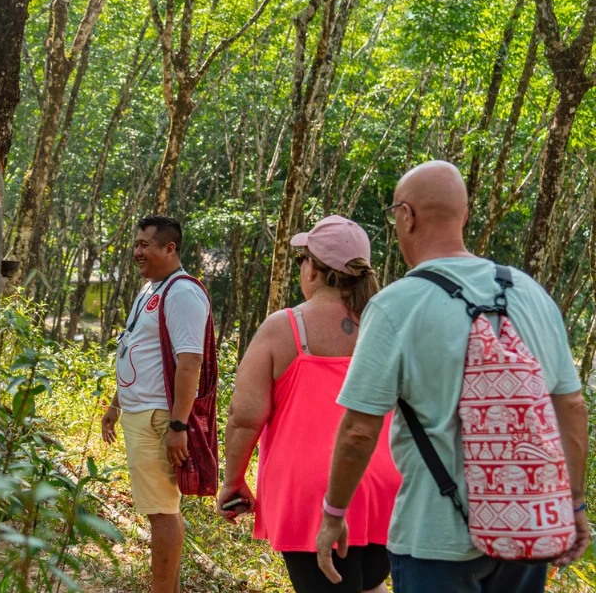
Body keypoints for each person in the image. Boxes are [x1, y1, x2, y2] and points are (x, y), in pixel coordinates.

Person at [315, 161, 590, 593]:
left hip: (433, 538)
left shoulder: (396, 305)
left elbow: (358, 432)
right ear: (463, 215)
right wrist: (573, 504)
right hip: (524, 530)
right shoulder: (530, 294)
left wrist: (334, 514)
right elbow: (571, 406)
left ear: (406, 216)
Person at [217, 215, 400, 593]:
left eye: (302, 259)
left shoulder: (283, 328)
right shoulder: (386, 326)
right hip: (386, 485)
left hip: (315, 493)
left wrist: (233, 481)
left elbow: (245, 417)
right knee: (369, 585)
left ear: (313, 269)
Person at [101, 215, 210, 593]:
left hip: (159, 417)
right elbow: (138, 349)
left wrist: (178, 425)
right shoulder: (151, 289)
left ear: (170, 248)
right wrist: (115, 405)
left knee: (162, 512)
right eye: (135, 244)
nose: (137, 251)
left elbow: (190, 362)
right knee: (160, 510)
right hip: (138, 413)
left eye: (145, 245)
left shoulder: (182, 293)